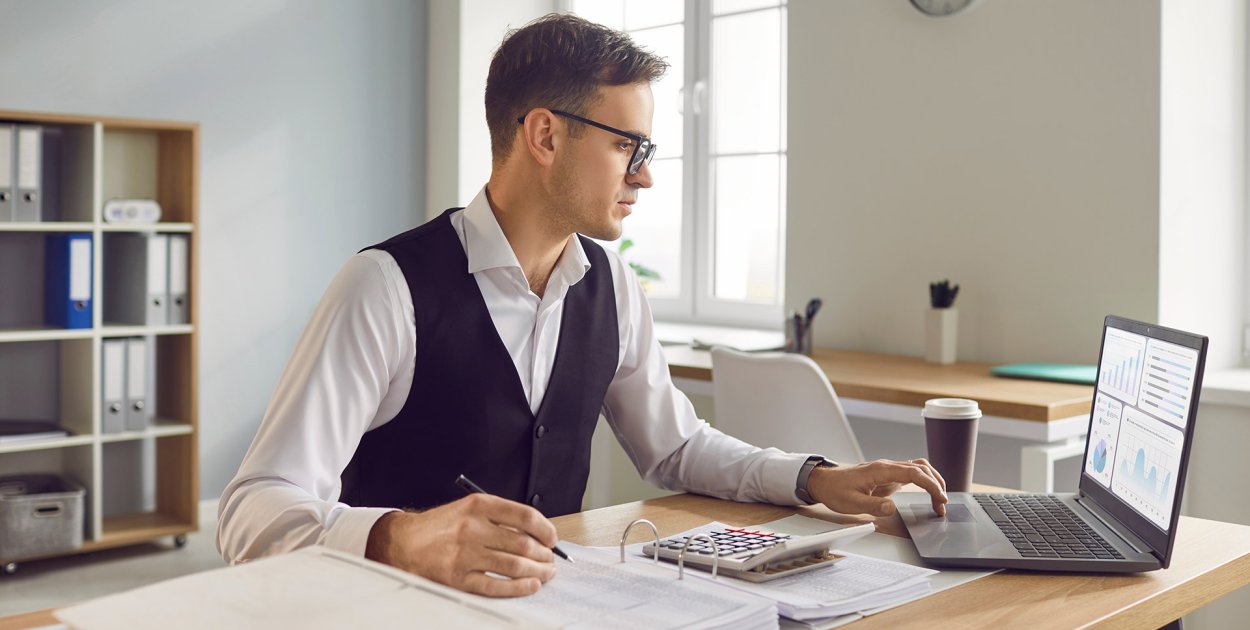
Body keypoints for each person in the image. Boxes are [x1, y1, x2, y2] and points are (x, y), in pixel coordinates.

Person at [217, 13, 947, 598]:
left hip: (551, 608)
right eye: (630, 147)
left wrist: (814, 478)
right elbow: (251, 508)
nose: (648, 177)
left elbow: (676, 447)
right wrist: (398, 537)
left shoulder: (611, 284)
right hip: (387, 611)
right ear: (544, 134)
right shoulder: (386, 286)